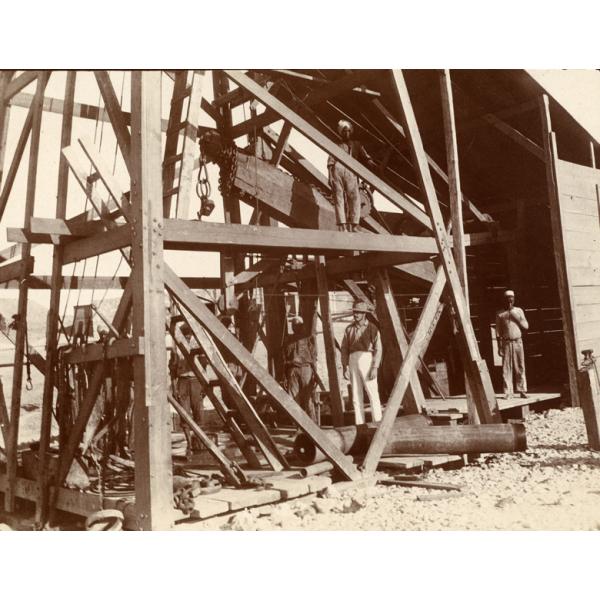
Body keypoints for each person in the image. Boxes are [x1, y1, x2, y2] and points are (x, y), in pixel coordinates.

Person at [327, 119, 377, 232]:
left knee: (354, 197)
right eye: (344, 131)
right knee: (338, 198)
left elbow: (365, 156)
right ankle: (342, 226)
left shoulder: (357, 144)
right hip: (338, 170)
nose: (347, 133)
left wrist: (372, 164)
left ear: (351, 132)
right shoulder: (337, 145)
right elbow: (330, 161)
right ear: (341, 132)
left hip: (351, 171)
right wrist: (330, 176)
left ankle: (354, 225)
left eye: (348, 131)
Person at [341, 300, 382, 424]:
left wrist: (375, 367)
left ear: (364, 314)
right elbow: (344, 349)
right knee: (356, 394)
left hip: (366, 358)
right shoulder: (349, 329)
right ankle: (360, 424)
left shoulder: (372, 328)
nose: (355, 315)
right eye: (354, 312)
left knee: (372, 392)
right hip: (353, 359)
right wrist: (344, 367)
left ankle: (378, 422)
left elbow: (378, 348)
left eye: (358, 312)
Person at [169, 322, 206, 454]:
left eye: (189, 333)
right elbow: (172, 369)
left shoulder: (198, 345)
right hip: (183, 381)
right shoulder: (177, 348)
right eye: (185, 334)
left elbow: (204, 366)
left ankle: (198, 443)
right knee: (184, 415)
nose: (188, 336)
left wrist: (203, 386)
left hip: (196, 381)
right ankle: (189, 445)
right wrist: (174, 388)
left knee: (198, 413)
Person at [282, 316, 318, 422]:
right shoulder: (288, 340)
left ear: (301, 326)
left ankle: (314, 426)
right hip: (292, 370)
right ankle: (299, 426)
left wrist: (314, 373)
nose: (295, 327)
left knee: (308, 399)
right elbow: (284, 358)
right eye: (293, 325)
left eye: (297, 325)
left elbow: (314, 356)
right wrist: (285, 376)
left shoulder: (308, 338)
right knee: (293, 400)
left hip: (306, 369)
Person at [495, 289, 529, 399]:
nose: (509, 301)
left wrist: (515, 316)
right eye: (507, 299)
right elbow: (498, 332)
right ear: (504, 300)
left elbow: (526, 326)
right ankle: (508, 392)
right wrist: (499, 347)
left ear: (514, 299)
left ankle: (522, 390)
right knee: (506, 368)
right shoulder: (500, 314)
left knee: (520, 366)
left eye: (511, 298)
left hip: (518, 342)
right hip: (506, 343)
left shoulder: (519, 311)